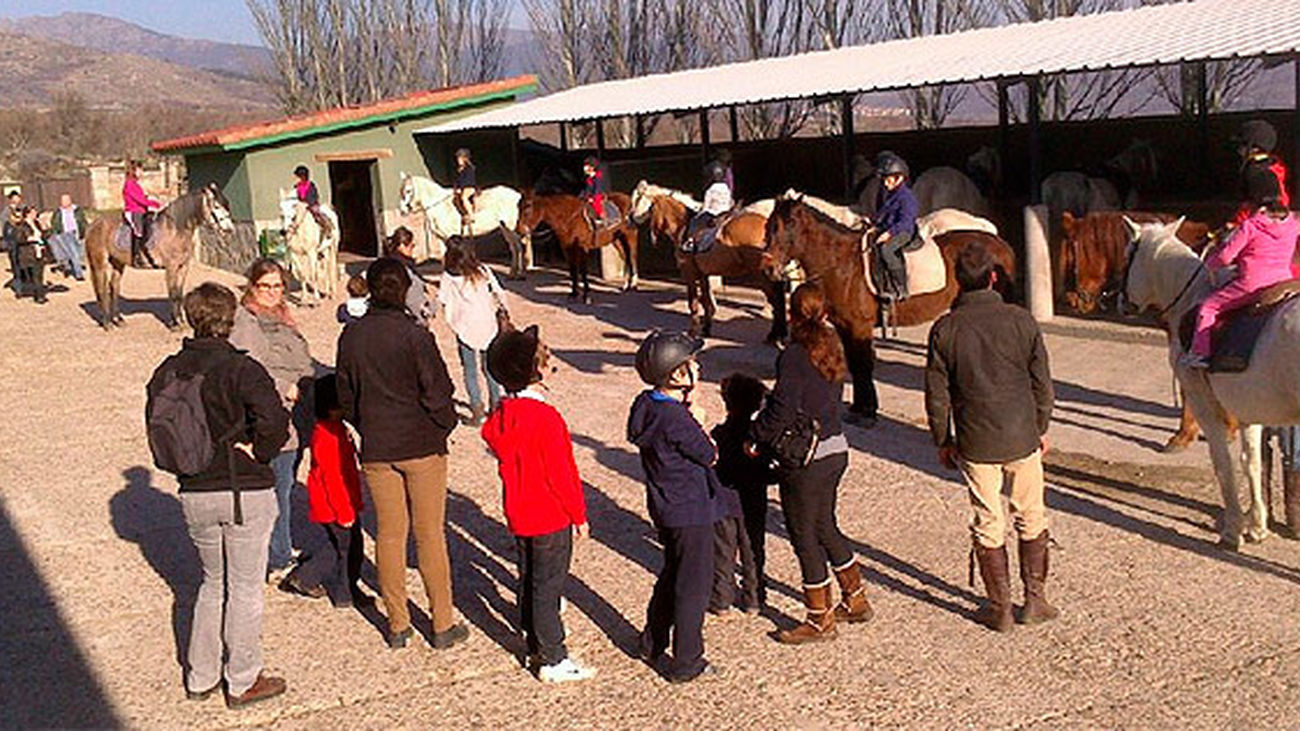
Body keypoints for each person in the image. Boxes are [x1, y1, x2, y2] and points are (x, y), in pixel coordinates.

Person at [145, 282, 290, 708]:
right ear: (229, 320)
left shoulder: (167, 370)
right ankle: (243, 678)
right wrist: (260, 451)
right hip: (243, 488)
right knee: (245, 587)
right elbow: (275, 423)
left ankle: (200, 675)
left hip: (194, 489)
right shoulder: (242, 369)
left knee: (212, 583)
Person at [924, 239, 1056, 633]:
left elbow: (937, 394)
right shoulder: (1021, 320)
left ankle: (999, 608)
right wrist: (1041, 426)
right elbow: (1043, 384)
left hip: (975, 439)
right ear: (994, 277)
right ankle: (1034, 600)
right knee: (1031, 515)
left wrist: (942, 439)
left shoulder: (944, 328)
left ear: (957, 281)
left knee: (987, 520)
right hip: (1021, 433)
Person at [336, 257, 468, 650]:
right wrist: (443, 426)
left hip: (378, 445)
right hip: (421, 444)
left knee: (389, 535)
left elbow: (346, 395)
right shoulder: (415, 336)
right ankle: (442, 623)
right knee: (430, 534)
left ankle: (397, 623)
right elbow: (438, 391)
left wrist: (366, 426)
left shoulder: (352, 336)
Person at [748, 284, 870, 644]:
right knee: (826, 525)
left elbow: (783, 409)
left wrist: (755, 435)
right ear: (826, 313)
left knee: (804, 536)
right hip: (836, 448)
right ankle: (856, 597)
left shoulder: (794, 354)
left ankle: (819, 620)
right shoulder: (834, 346)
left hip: (808, 457)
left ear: (792, 315)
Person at [481, 324, 596, 683]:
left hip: (518, 509)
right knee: (548, 585)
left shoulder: (502, 415)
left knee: (529, 578)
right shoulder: (546, 418)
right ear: (538, 372)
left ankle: (533, 639)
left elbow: (490, 435)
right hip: (549, 513)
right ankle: (553, 656)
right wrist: (579, 515)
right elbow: (562, 474)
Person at [627, 331, 719, 683]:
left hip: (665, 506)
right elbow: (709, 454)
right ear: (677, 375)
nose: (697, 366)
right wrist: (696, 417)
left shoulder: (647, 406)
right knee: (693, 585)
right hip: (690, 510)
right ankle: (687, 660)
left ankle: (651, 641)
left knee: (671, 574)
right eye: (691, 363)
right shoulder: (678, 420)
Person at [229, 259, 314, 578]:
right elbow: (248, 371)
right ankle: (274, 557)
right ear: (252, 286)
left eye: (277, 286)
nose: (272, 292)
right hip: (274, 415)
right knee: (275, 488)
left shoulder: (282, 316)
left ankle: (280, 545)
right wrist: (286, 388)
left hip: (295, 413)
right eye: (265, 286)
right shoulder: (246, 322)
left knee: (285, 484)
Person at [1184, 168, 1299, 370]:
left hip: (1251, 284)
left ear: (1253, 199)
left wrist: (1209, 264)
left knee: (1209, 307)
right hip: (1283, 280)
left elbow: (1226, 257)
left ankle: (1199, 355)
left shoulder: (1251, 226)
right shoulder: (1293, 223)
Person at [279, 373, 372, 608]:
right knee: (342, 547)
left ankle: (346, 591)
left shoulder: (334, 428)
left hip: (340, 502)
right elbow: (332, 477)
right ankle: (309, 578)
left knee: (347, 546)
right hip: (336, 505)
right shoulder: (327, 435)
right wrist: (344, 512)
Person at [709, 372, 772, 617]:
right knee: (753, 550)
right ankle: (754, 599)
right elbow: (767, 469)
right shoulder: (758, 437)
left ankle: (721, 599)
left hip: (724, 500)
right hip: (753, 499)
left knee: (723, 551)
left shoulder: (719, 434)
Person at [438, 244, 506, 425]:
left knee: (470, 370)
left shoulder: (449, 277)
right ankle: (496, 406)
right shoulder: (483, 270)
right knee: (490, 368)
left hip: (464, 327)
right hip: (488, 324)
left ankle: (477, 411)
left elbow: (443, 300)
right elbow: (499, 293)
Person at [872, 151, 920, 301]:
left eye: (888, 180)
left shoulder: (906, 197)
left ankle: (901, 287)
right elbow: (884, 214)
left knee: (887, 250)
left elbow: (905, 221)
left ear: (899, 178)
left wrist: (889, 233)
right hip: (891, 228)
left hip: (904, 231)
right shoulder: (891, 195)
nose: (885, 184)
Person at [1232, 121, 1290, 227]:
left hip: (1258, 224)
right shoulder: (1274, 165)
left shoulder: (1257, 172)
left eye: (1243, 144)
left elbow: (1254, 207)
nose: (1239, 149)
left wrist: (1235, 224)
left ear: (1255, 148)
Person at [383, 227, 433, 328]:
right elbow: (412, 297)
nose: (413, 249)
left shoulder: (390, 263)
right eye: (411, 246)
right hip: (409, 318)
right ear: (401, 246)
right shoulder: (402, 268)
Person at [685, 161, 733, 251]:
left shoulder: (710, 190)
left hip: (713, 213)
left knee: (693, 221)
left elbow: (706, 207)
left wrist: (699, 211)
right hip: (725, 212)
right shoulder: (726, 188)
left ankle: (690, 243)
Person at [123, 160, 162, 268]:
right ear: (134, 171)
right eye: (140, 170)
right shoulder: (129, 184)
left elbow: (143, 198)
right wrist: (155, 204)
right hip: (133, 211)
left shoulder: (136, 184)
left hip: (142, 210)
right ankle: (135, 258)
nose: (142, 172)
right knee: (138, 231)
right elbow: (140, 200)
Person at [10, 206, 49, 303]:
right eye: (33, 213)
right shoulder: (22, 225)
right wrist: (30, 238)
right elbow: (19, 239)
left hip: (39, 251)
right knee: (35, 275)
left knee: (39, 274)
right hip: (29, 252)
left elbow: (42, 235)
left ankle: (38, 293)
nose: (35, 215)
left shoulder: (37, 223)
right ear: (27, 214)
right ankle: (39, 295)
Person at [46, 193, 88, 280]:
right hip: (65, 233)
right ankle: (79, 274)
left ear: (70, 201)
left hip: (77, 232)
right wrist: (56, 232)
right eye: (62, 201)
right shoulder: (58, 211)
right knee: (74, 254)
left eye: (65, 200)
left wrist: (84, 231)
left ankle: (68, 267)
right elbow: (54, 222)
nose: (63, 202)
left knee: (79, 253)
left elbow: (83, 221)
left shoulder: (77, 210)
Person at [292, 165, 330, 231]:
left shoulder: (310, 185)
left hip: (311, 205)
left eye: (299, 176)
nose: (298, 178)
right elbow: (295, 196)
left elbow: (313, 196)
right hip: (301, 205)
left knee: (316, 211)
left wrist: (308, 203)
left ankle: (325, 226)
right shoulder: (297, 186)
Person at [452, 148, 477, 236]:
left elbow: (469, 180)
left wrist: (461, 188)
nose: (458, 160)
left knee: (464, 197)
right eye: (458, 158)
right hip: (463, 188)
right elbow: (457, 181)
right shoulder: (460, 170)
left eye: (460, 158)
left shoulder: (469, 169)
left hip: (470, 187)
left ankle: (471, 215)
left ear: (465, 158)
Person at [581, 156, 608, 224]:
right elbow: (587, 189)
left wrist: (592, 198)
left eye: (586, 166)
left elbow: (598, 188)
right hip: (590, 196)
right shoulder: (588, 179)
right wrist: (584, 196)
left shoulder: (597, 177)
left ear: (592, 167)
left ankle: (600, 218)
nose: (584, 168)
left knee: (596, 203)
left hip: (597, 195)